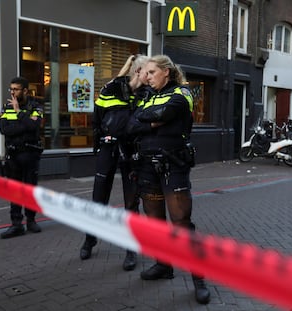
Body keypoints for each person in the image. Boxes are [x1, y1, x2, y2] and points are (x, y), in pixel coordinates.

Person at [131, 55, 211, 304]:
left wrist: (149, 117)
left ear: (166, 71)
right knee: (155, 222)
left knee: (181, 222)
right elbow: (130, 124)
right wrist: (152, 120)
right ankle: (164, 265)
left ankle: (199, 278)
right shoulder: (146, 95)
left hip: (172, 165)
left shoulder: (184, 93)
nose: (148, 76)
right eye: (146, 73)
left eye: (152, 72)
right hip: (146, 166)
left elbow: (167, 111)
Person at [79, 55, 149, 271]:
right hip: (108, 149)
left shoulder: (148, 94)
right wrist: (99, 141)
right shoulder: (112, 88)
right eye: (149, 72)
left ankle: (130, 249)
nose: (152, 76)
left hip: (131, 153)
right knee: (98, 198)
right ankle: (90, 239)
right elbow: (97, 116)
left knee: (131, 203)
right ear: (138, 71)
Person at [0, 76, 44, 239]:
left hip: (30, 154)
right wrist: (24, 125)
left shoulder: (36, 106)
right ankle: (16, 224)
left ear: (25, 90)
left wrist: (18, 112)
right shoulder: (6, 107)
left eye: (16, 89)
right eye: (11, 89)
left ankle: (31, 220)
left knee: (30, 189)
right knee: (14, 190)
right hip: (13, 155)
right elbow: (4, 130)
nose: (12, 92)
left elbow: (34, 127)